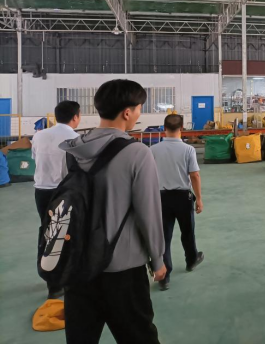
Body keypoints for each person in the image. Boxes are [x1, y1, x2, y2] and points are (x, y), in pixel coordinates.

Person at [60, 80, 165, 343]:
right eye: (139, 108)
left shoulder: (72, 151)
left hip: (78, 266)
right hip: (123, 269)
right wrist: (158, 259)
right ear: (127, 112)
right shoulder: (138, 153)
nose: (139, 113)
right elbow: (149, 213)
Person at [32, 100, 81, 298]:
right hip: (64, 192)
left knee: (48, 233)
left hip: (41, 191)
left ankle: (52, 282)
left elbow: (36, 159)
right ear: (75, 117)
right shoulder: (75, 138)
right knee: (67, 234)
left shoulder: (39, 135)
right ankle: (66, 278)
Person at [151, 114, 205, 291]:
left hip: (161, 198)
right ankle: (191, 260)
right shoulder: (188, 150)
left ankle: (164, 277)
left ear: (164, 128)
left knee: (164, 237)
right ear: (182, 128)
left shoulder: (153, 150)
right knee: (187, 231)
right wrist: (199, 199)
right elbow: (194, 175)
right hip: (183, 197)